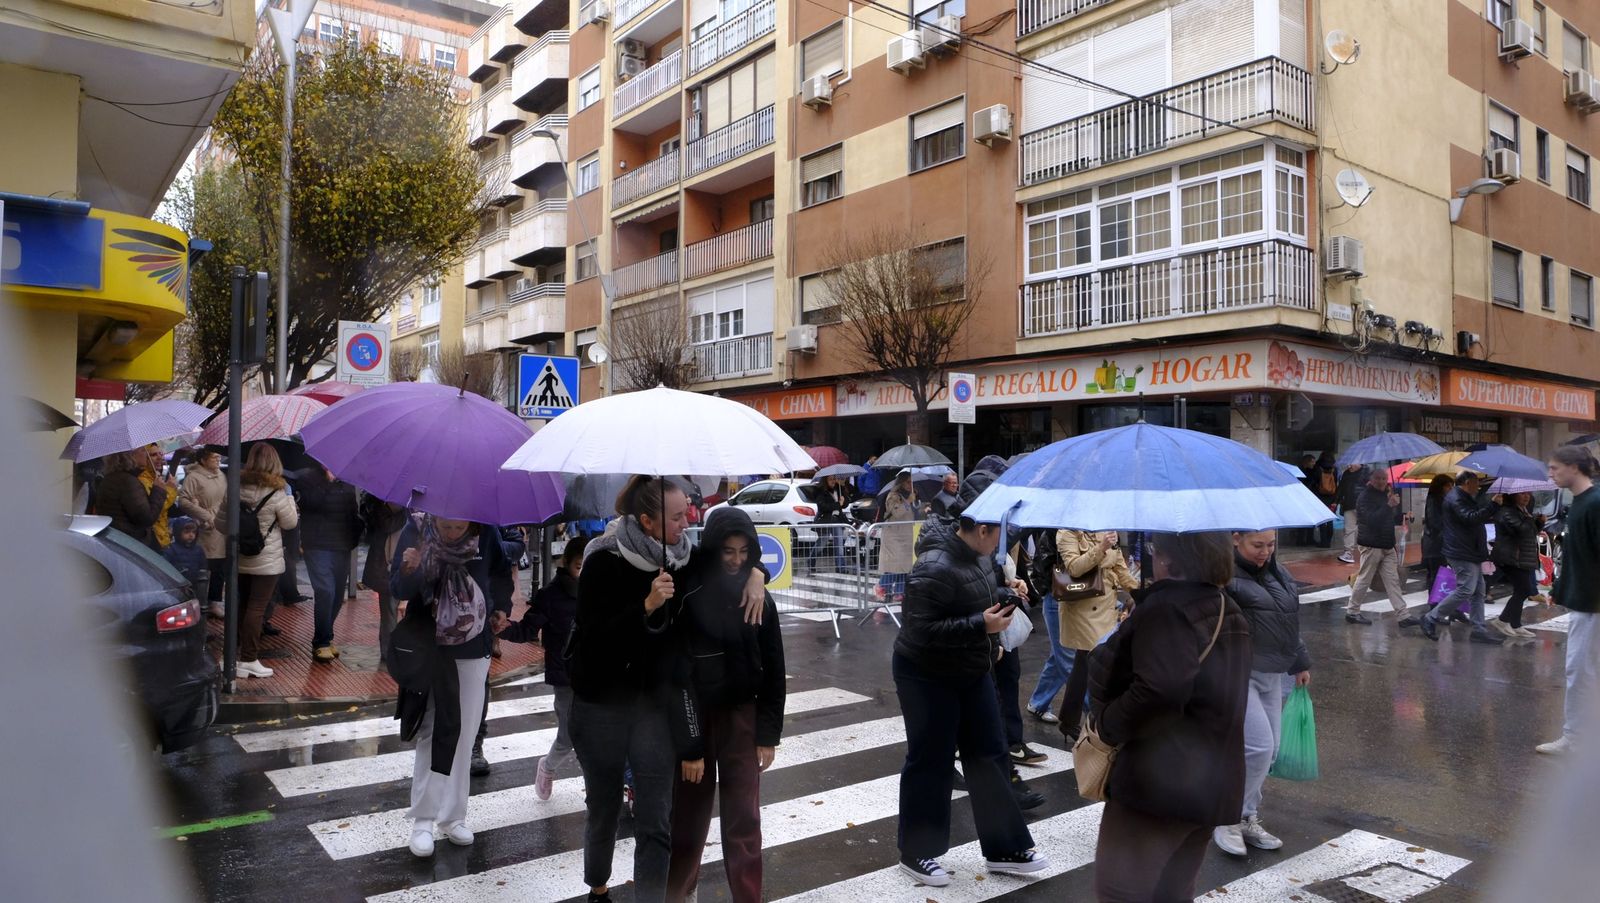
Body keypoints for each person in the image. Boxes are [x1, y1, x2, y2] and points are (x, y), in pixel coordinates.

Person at [569, 476, 765, 903]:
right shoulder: (602, 559)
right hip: (601, 705)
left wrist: (757, 572)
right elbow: (594, 638)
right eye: (676, 516)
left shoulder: (680, 558)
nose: (686, 521)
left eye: (687, 512)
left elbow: (725, 560)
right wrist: (646, 606)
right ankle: (598, 888)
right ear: (646, 521)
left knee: (656, 819)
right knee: (603, 809)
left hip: (653, 709)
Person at [1087, 531, 1251, 903]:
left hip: (1159, 786)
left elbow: (1161, 689)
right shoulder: (1227, 606)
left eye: (1154, 550)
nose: (1152, 557)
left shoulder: (1168, 610)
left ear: (1171, 559)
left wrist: (1108, 726)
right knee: (1171, 894)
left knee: (1121, 895)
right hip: (1210, 783)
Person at [892, 514, 1047, 888]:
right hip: (926, 675)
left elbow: (977, 597)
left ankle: (1005, 847)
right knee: (931, 760)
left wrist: (1007, 596)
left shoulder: (978, 556)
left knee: (990, 754)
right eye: (998, 535)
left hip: (970, 668)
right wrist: (982, 626)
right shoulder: (933, 564)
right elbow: (921, 628)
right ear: (981, 530)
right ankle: (917, 853)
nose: (1000, 544)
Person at [666, 508, 786, 903]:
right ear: (713, 548)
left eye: (744, 552)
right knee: (687, 820)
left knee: (745, 820)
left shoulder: (760, 598)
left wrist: (768, 734)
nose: (736, 560)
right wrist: (690, 746)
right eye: (727, 551)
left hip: (742, 717)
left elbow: (774, 667)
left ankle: (748, 898)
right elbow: (678, 673)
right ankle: (677, 894)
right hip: (696, 715)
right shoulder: (690, 589)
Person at [390, 514, 513, 858]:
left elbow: (500, 572)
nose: (453, 532)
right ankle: (423, 820)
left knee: (465, 731)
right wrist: (410, 568)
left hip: (475, 645)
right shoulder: (416, 529)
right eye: (446, 526)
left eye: (460, 528)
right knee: (433, 730)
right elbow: (398, 589)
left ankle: (453, 816)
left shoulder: (486, 529)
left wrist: (502, 606)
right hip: (430, 645)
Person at [1217, 530, 1310, 857]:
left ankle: (1245, 816)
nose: (1265, 552)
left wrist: (1300, 661)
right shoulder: (1221, 577)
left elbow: (1288, 622)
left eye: (1270, 545)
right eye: (1258, 545)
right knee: (1258, 747)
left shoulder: (1279, 572)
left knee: (1270, 752)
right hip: (1236, 673)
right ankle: (1226, 816)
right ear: (1235, 538)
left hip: (1271, 673)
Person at [498, 536, 588, 799]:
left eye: (588, 566)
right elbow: (527, 629)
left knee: (594, 735)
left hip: (593, 675)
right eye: (579, 565)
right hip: (565, 676)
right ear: (566, 563)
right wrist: (504, 628)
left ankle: (595, 789)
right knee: (569, 736)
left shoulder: (599, 592)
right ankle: (547, 767)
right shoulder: (550, 595)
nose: (583, 572)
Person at [1538, 446, 1599, 755]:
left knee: (1580, 672)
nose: (1550, 473)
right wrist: (1559, 590)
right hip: (1583, 603)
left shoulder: (1595, 503)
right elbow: (1576, 557)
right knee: (1582, 672)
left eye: (1554, 468)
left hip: (1593, 606)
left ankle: (1576, 739)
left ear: (1575, 467)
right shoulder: (1580, 503)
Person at [1050, 530, 1139, 743]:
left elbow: (1121, 570)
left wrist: (1141, 592)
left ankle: (1071, 720)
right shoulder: (1067, 533)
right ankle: (1097, 720)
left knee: (1085, 664)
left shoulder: (1106, 531)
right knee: (1097, 661)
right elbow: (1074, 567)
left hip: (1106, 607)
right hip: (1083, 606)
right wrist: (1101, 548)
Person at [1415, 471, 1504, 644]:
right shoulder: (1456, 498)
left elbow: (1474, 518)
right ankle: (1431, 617)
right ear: (1467, 482)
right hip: (1462, 551)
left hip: (1471, 550)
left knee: (1479, 591)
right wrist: (1492, 505)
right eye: (1476, 483)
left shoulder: (1464, 497)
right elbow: (1469, 518)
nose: (1478, 486)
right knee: (1466, 589)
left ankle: (1479, 629)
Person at [236, 444, 300, 680]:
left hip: (240, 555)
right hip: (267, 558)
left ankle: (237, 654)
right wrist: (291, 498)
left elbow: (223, 523)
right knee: (256, 608)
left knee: (242, 604)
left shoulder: (235, 487)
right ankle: (249, 659)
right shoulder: (278, 491)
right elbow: (290, 523)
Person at [297, 466, 363, 663]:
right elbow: (310, 504)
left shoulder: (348, 481)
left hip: (341, 545)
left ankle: (326, 635)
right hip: (317, 544)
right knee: (325, 591)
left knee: (336, 596)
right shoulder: (308, 478)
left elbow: (352, 512)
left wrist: (354, 537)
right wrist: (327, 482)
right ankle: (322, 642)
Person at [1345, 467, 1409, 625]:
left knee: (1393, 581)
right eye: (1378, 478)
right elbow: (1371, 520)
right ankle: (1352, 612)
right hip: (1371, 545)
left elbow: (1387, 519)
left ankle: (1403, 615)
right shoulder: (1364, 497)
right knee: (1364, 579)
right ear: (1371, 480)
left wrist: (1401, 514)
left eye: (1384, 478)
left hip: (1387, 544)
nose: (1381, 481)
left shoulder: (1385, 495)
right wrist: (1388, 505)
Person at [177, 449, 227, 610]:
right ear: (203, 460)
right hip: (206, 527)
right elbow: (183, 501)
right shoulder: (193, 477)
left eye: (219, 456)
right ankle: (201, 602)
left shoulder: (221, 475)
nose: (218, 458)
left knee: (220, 565)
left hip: (222, 525)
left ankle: (215, 601)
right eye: (214, 456)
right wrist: (205, 515)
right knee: (205, 565)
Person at [360, 493, 409, 658]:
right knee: (389, 611)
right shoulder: (379, 504)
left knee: (397, 610)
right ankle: (389, 652)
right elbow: (387, 525)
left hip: (408, 564)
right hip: (387, 565)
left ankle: (398, 649)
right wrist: (406, 511)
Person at [1490, 492, 1542, 640]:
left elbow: (1530, 533)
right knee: (1524, 590)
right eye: (1522, 494)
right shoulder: (1507, 512)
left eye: (1528, 494)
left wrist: (1539, 523)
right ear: (1513, 495)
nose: (1527, 497)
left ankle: (1516, 624)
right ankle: (1502, 620)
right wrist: (1529, 519)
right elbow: (1522, 530)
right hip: (1511, 557)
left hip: (1521, 556)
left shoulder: (1521, 511)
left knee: (1521, 590)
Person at [94, 451, 166, 549]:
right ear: (130, 455)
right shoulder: (127, 482)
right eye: (142, 450)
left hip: (118, 540)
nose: (146, 454)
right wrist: (158, 490)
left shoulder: (112, 478)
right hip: (130, 544)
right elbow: (146, 518)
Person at [876, 471, 920, 603]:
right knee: (893, 565)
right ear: (901, 482)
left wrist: (921, 506)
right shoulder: (893, 496)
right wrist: (908, 501)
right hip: (893, 535)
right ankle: (883, 588)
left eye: (911, 482)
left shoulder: (911, 494)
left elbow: (914, 513)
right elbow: (896, 513)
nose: (910, 484)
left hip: (906, 535)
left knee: (905, 566)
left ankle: (900, 592)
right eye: (908, 481)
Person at [1419, 474, 1456, 594]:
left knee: (1440, 575)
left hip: (1439, 544)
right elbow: (1436, 523)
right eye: (1448, 486)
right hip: (1435, 545)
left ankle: (1443, 607)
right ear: (1440, 487)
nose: (1451, 489)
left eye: (1452, 486)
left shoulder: (1443, 500)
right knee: (1436, 576)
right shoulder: (1434, 500)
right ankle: (1435, 607)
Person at [138, 444, 179, 550]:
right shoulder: (142, 481)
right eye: (153, 455)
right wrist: (170, 489)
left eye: (160, 454)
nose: (160, 458)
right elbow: (158, 507)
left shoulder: (155, 478)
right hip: (153, 539)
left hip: (162, 537)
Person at [161, 516, 208, 590]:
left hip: (195, 584)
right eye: (187, 532)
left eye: (194, 532)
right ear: (178, 533)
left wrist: (202, 579)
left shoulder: (198, 549)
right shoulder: (171, 549)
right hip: (177, 584)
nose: (191, 535)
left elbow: (203, 566)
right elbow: (165, 565)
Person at [1335, 463, 1367, 564]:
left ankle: (1368, 552)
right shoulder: (1346, 474)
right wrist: (1335, 501)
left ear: (1359, 462)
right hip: (1349, 504)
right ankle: (1348, 553)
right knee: (1348, 529)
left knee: (1365, 529)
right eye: (1348, 463)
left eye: (1351, 463)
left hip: (1363, 505)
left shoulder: (1367, 472)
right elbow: (1341, 488)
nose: (1349, 466)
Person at [1308, 453, 1338, 547]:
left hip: (1319, 497)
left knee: (1322, 521)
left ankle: (1323, 542)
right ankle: (1328, 542)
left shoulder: (1317, 468)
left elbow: (1313, 481)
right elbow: (1336, 482)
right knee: (1329, 520)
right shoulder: (1334, 469)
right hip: (1331, 496)